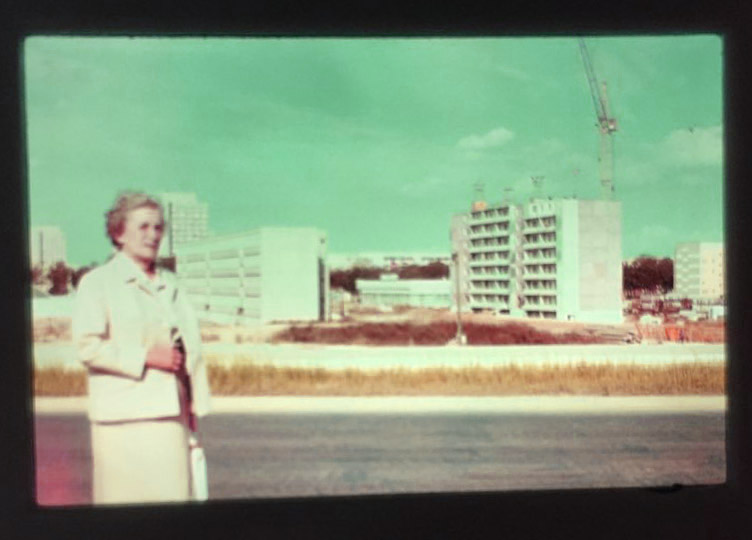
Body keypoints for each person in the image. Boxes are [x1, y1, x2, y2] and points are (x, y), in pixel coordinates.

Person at [72, 191, 211, 504]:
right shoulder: (98, 282)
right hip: (123, 420)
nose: (153, 235)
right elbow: (87, 346)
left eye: (159, 227)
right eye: (144, 227)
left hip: (170, 416)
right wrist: (147, 357)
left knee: (173, 510)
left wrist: (191, 400)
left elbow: (185, 347)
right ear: (119, 233)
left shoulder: (171, 284)